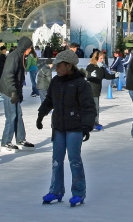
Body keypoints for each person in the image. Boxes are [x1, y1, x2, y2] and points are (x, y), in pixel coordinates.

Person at [36, 50, 96, 207]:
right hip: (59, 127)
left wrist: (86, 127)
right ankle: (56, 191)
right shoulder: (56, 81)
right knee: (56, 160)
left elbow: (89, 107)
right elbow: (49, 100)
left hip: (75, 128)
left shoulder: (81, 84)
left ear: (69, 66)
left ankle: (78, 192)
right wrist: (41, 115)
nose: (56, 68)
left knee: (74, 160)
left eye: (59, 65)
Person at [0, 36, 35, 152]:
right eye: (30, 47)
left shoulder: (21, 56)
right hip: (8, 91)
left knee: (18, 115)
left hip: (14, 90)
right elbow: (8, 76)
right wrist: (14, 92)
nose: (30, 50)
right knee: (11, 116)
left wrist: (19, 92)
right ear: (25, 47)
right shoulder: (13, 56)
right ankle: (5, 143)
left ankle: (20, 140)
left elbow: (18, 77)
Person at [86, 51, 116, 130]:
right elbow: (88, 74)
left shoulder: (102, 67)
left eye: (103, 58)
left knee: (96, 107)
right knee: (93, 108)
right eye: (101, 58)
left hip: (97, 89)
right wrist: (96, 67)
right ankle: (92, 123)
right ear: (96, 58)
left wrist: (114, 76)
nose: (102, 60)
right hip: (90, 89)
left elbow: (107, 76)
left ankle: (94, 123)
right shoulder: (91, 66)